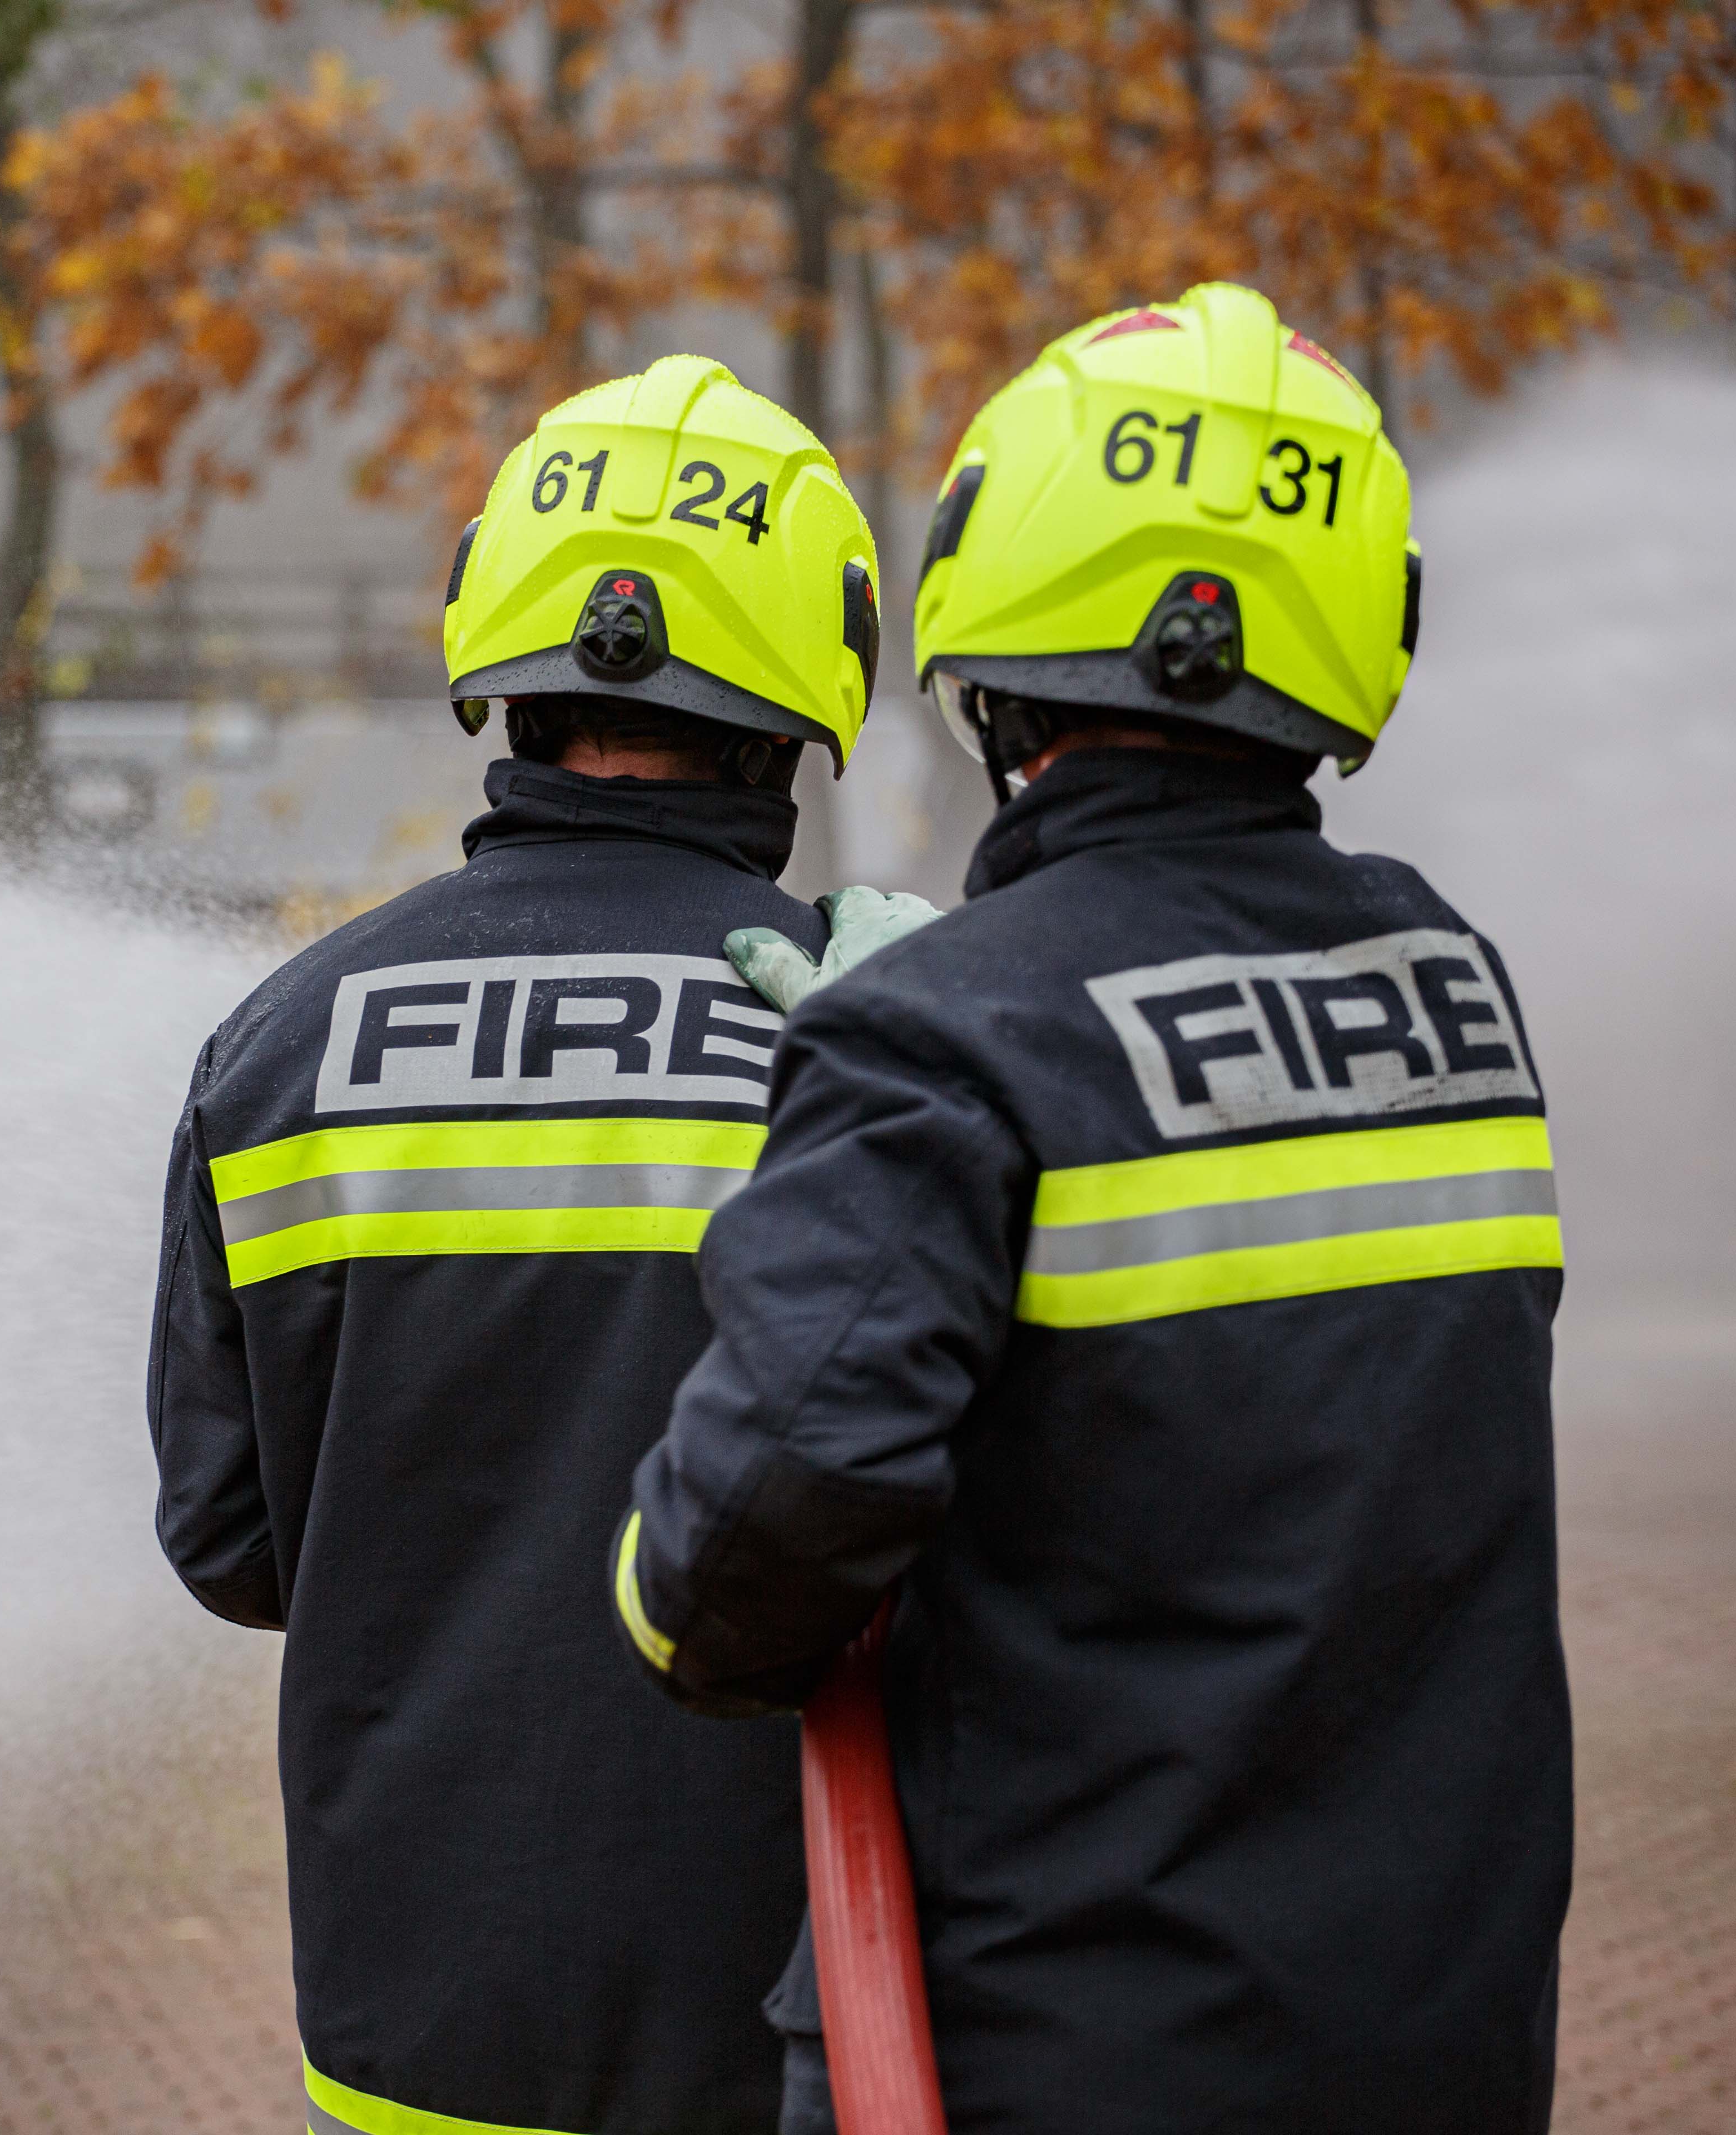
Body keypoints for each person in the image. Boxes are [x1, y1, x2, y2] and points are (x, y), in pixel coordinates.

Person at [614, 282, 1572, 2134]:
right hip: (1437, 2029)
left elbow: (742, 1559)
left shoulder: (945, 1036)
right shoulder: (1451, 988)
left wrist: (889, 1072)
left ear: (997, 621)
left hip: (1073, 2044)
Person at [148, 354, 927, 2135]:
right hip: (779, 2031)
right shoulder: (868, 1045)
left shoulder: (282, 1045)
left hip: (411, 2029)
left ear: (493, 638)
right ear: (815, 669)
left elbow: (228, 1542)